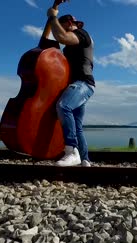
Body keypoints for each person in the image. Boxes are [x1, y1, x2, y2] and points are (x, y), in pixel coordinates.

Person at [47, 8, 95, 167]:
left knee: (63, 105)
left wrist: (52, 17)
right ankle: (85, 160)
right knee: (77, 125)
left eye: (60, 25)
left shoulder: (82, 34)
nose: (58, 31)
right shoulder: (70, 46)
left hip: (83, 83)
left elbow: (61, 35)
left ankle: (71, 152)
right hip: (79, 85)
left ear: (68, 23)